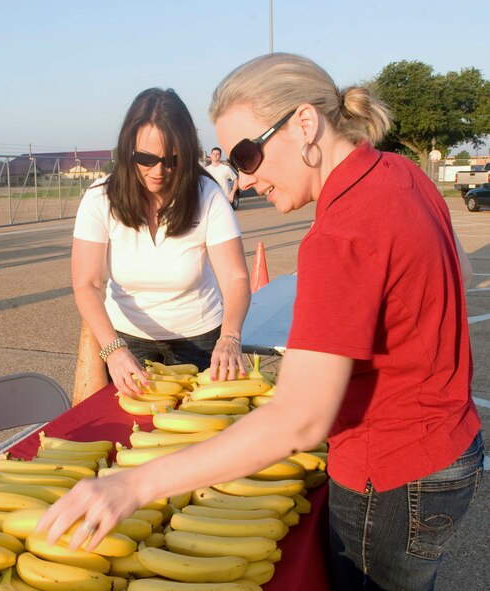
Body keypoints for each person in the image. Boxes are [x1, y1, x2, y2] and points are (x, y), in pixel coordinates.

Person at [39, 54, 483, 590]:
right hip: (446, 449)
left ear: (304, 123)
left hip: (389, 472)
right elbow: (454, 272)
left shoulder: (340, 232)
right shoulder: (399, 172)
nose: (244, 180)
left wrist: (131, 488)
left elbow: (299, 421)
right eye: (233, 160)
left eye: (249, 155)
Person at [70, 88, 250, 397]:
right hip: (127, 340)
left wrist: (230, 338)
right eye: (146, 159)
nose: (159, 171)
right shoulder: (100, 198)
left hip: (201, 339)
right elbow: (86, 283)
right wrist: (113, 350)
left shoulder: (207, 195)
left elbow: (236, 276)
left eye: (172, 161)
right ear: (128, 149)